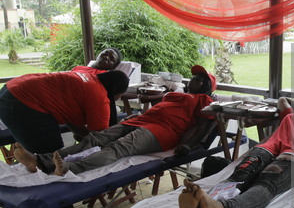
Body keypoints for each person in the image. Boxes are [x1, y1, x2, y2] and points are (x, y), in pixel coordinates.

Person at [14, 65, 216, 177]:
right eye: (194, 77)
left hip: (161, 131)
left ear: (207, 87)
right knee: (95, 138)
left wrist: (187, 145)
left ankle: (68, 169)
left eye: (199, 79)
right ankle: (43, 160)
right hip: (140, 120)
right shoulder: (177, 93)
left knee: (117, 148)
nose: (194, 80)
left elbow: (203, 125)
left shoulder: (204, 100)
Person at [0, 69, 129, 208]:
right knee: (57, 160)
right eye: (120, 96)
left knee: (50, 154)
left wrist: (82, 138)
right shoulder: (100, 97)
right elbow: (100, 138)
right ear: (115, 92)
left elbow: (70, 117)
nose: (118, 99)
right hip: (24, 102)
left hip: (11, 90)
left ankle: (49, 194)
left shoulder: (88, 79)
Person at [72, 47, 124, 126]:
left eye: (111, 59)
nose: (106, 57)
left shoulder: (104, 77)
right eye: (105, 53)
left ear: (113, 67)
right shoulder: (78, 68)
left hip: (81, 106)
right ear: (99, 54)